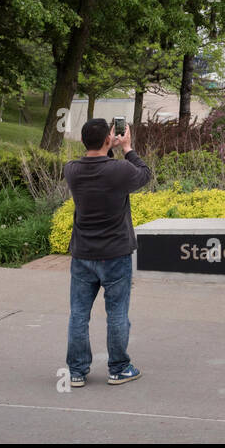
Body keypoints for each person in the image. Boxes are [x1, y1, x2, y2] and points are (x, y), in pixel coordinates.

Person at [63, 117, 151, 387]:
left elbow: (96, 164)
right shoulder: (120, 170)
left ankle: (77, 371)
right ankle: (119, 368)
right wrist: (126, 147)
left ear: (81, 141)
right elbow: (144, 174)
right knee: (116, 314)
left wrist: (107, 146)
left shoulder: (72, 170)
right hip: (115, 253)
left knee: (79, 314)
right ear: (107, 140)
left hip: (83, 254)